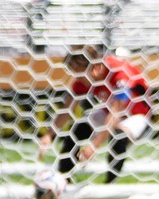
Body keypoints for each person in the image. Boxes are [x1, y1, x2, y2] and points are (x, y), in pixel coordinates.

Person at [40, 46, 152, 184]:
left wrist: (93, 146)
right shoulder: (84, 79)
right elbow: (67, 109)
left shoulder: (119, 74)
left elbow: (116, 113)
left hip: (137, 114)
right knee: (78, 130)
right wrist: (49, 135)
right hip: (108, 111)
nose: (78, 79)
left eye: (79, 74)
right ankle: (63, 179)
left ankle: (110, 184)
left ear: (96, 68)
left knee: (118, 136)